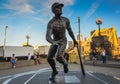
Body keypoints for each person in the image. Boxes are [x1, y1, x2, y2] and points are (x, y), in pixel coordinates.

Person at [46, 2, 78, 82]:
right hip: (55, 41)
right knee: (49, 58)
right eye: (57, 7)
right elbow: (48, 36)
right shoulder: (51, 23)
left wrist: (74, 40)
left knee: (59, 56)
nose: (60, 8)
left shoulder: (66, 20)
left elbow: (70, 31)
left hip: (63, 41)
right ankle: (54, 71)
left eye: (61, 7)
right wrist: (53, 42)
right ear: (53, 10)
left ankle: (65, 63)